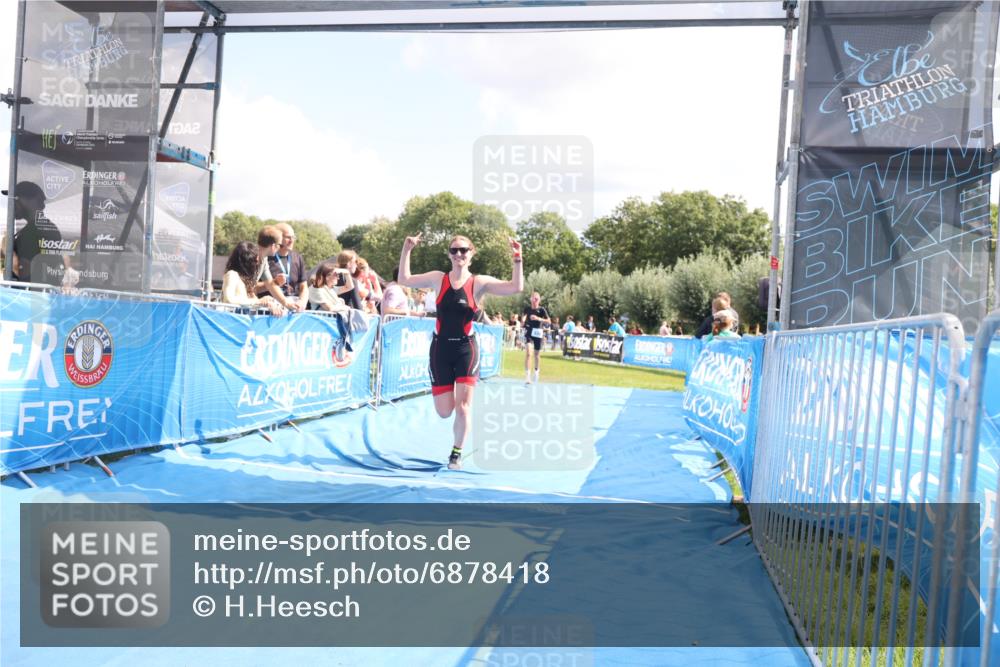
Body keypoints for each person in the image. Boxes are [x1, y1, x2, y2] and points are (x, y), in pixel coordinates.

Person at [398, 232, 523, 469]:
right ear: (449, 254)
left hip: (466, 349)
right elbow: (404, 278)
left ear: (471, 254)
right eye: (454, 250)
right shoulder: (438, 279)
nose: (458, 254)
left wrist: (517, 259)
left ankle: (456, 453)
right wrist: (407, 249)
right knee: (445, 411)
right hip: (440, 349)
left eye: (463, 250)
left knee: (463, 407)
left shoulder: (478, 283)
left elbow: (516, 287)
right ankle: (455, 433)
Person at [7, 181, 77, 287]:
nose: (12, 204)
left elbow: (20, 267)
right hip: (39, 292)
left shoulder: (33, 230)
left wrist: (5, 245)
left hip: (29, 294)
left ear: (29, 201)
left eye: (16, 198)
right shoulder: (44, 226)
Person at [221, 241, 285, 316]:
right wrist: (259, 302)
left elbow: (249, 302)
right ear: (247, 261)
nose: (257, 264)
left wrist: (267, 303)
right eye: (255, 261)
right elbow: (229, 299)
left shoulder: (245, 280)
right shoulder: (232, 274)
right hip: (231, 320)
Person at [268, 223, 309, 309]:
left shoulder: (297, 257)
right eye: (288, 237)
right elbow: (253, 287)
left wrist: (302, 302)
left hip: (293, 309)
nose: (292, 240)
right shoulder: (266, 257)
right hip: (272, 310)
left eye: (293, 237)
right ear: (278, 238)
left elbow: (304, 286)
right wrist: (274, 283)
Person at [521, 292, 551, 385]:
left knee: (537, 355)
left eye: (537, 299)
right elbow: (523, 317)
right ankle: (527, 376)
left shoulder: (542, 310)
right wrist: (522, 320)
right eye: (534, 299)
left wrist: (538, 318)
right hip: (529, 331)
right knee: (529, 353)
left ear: (539, 300)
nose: (535, 301)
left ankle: (537, 371)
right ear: (531, 299)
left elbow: (549, 321)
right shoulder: (527, 308)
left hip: (538, 332)